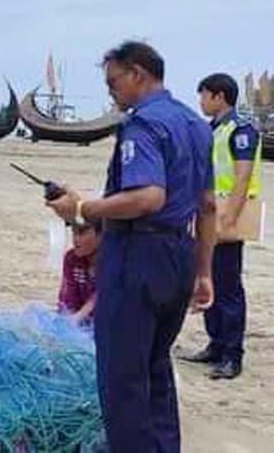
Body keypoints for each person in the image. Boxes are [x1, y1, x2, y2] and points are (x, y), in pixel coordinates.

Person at [46, 41, 215, 452]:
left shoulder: (142, 124)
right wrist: (204, 270)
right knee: (156, 368)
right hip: (179, 254)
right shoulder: (195, 125)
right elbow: (208, 205)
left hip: (139, 257)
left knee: (123, 379)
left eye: (113, 83)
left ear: (138, 74)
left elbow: (147, 197)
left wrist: (83, 206)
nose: (111, 94)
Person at [180, 73, 261, 380]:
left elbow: (242, 176)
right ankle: (215, 343)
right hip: (209, 214)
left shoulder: (239, 130)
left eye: (204, 96)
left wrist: (227, 220)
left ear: (219, 96)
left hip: (229, 215)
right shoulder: (213, 130)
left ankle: (232, 354)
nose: (201, 102)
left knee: (228, 286)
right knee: (207, 278)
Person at [57, 219, 101, 323]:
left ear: (101, 236)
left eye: (81, 233)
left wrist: (79, 316)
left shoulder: (114, 262)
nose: (75, 239)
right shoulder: (72, 258)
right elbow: (67, 299)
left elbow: (102, 294)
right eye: (73, 232)